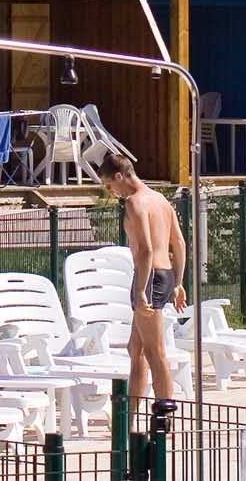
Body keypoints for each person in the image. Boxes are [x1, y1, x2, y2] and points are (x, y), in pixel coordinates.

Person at [94, 153, 186, 408]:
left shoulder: (135, 202)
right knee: (135, 349)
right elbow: (178, 242)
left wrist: (142, 290)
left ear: (119, 176)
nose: (111, 192)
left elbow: (145, 249)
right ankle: (131, 419)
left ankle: (165, 417)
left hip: (150, 278)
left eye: (110, 185)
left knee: (155, 352)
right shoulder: (160, 199)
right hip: (164, 275)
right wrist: (177, 282)